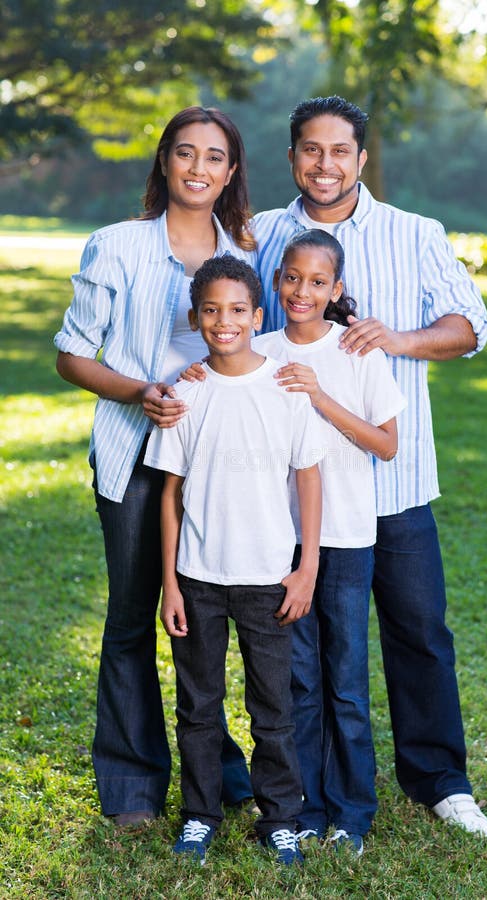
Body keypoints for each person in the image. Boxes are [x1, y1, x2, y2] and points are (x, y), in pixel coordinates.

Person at [252, 96, 487, 837]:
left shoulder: (414, 233)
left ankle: (440, 781)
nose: (324, 164)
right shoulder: (261, 233)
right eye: (310, 150)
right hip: (298, 496)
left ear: (361, 159)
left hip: (395, 477)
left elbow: (469, 327)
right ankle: (306, 791)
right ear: (293, 157)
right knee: (306, 654)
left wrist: (397, 339)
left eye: (339, 151)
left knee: (419, 630)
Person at [53, 106, 256, 825]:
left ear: (230, 172)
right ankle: (134, 784)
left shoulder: (250, 253)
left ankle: (224, 768)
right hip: (136, 457)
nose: (198, 168)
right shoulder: (116, 248)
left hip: (227, 467)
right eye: (185, 154)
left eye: (213, 157)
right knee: (136, 618)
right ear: (164, 162)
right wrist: (142, 391)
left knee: (210, 620)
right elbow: (72, 355)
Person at [144, 255, 323, 866]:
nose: (225, 322)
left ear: (257, 315)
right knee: (198, 706)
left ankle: (281, 818)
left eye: (238, 310)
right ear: (196, 318)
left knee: (273, 708)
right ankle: (200, 816)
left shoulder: (285, 387)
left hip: (268, 579)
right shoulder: (187, 391)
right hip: (198, 579)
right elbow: (170, 497)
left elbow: (309, 478)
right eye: (212, 311)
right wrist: (169, 584)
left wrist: (308, 567)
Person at [252, 229, 406, 856]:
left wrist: (319, 395)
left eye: (318, 282)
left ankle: (352, 813)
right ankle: (306, 807)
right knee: (298, 682)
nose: (302, 291)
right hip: (278, 541)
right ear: (277, 280)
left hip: (345, 536)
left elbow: (387, 444)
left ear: (335, 289)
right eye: (292, 278)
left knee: (344, 679)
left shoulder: (357, 352)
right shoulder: (257, 349)